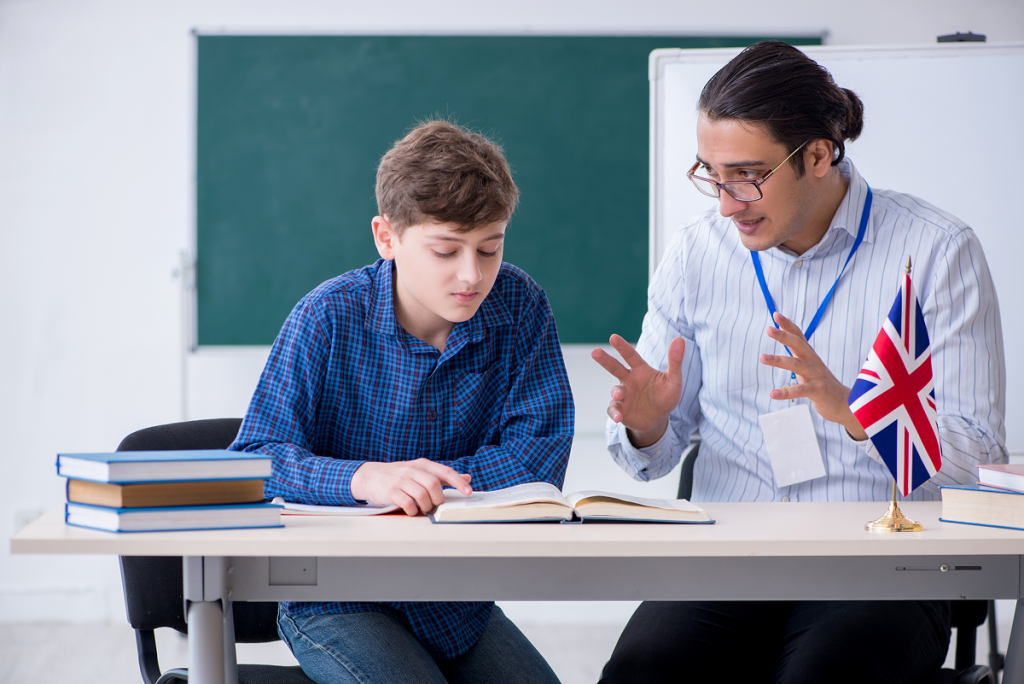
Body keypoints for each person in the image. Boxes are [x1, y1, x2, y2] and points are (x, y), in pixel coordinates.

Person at [592, 41, 1006, 683]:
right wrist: (647, 422)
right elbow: (653, 455)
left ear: (818, 153)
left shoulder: (937, 251)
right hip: (726, 562)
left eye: (747, 174)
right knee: (644, 671)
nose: (727, 203)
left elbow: (980, 459)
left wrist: (860, 413)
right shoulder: (698, 253)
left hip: (885, 566)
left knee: (824, 675)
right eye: (711, 173)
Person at [231, 120, 572, 684]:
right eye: (445, 251)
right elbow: (252, 462)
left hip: (454, 600)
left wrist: (426, 485)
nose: (472, 275)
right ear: (386, 238)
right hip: (334, 595)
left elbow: (538, 457)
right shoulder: (326, 317)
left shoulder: (521, 306)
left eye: (490, 248)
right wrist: (363, 479)